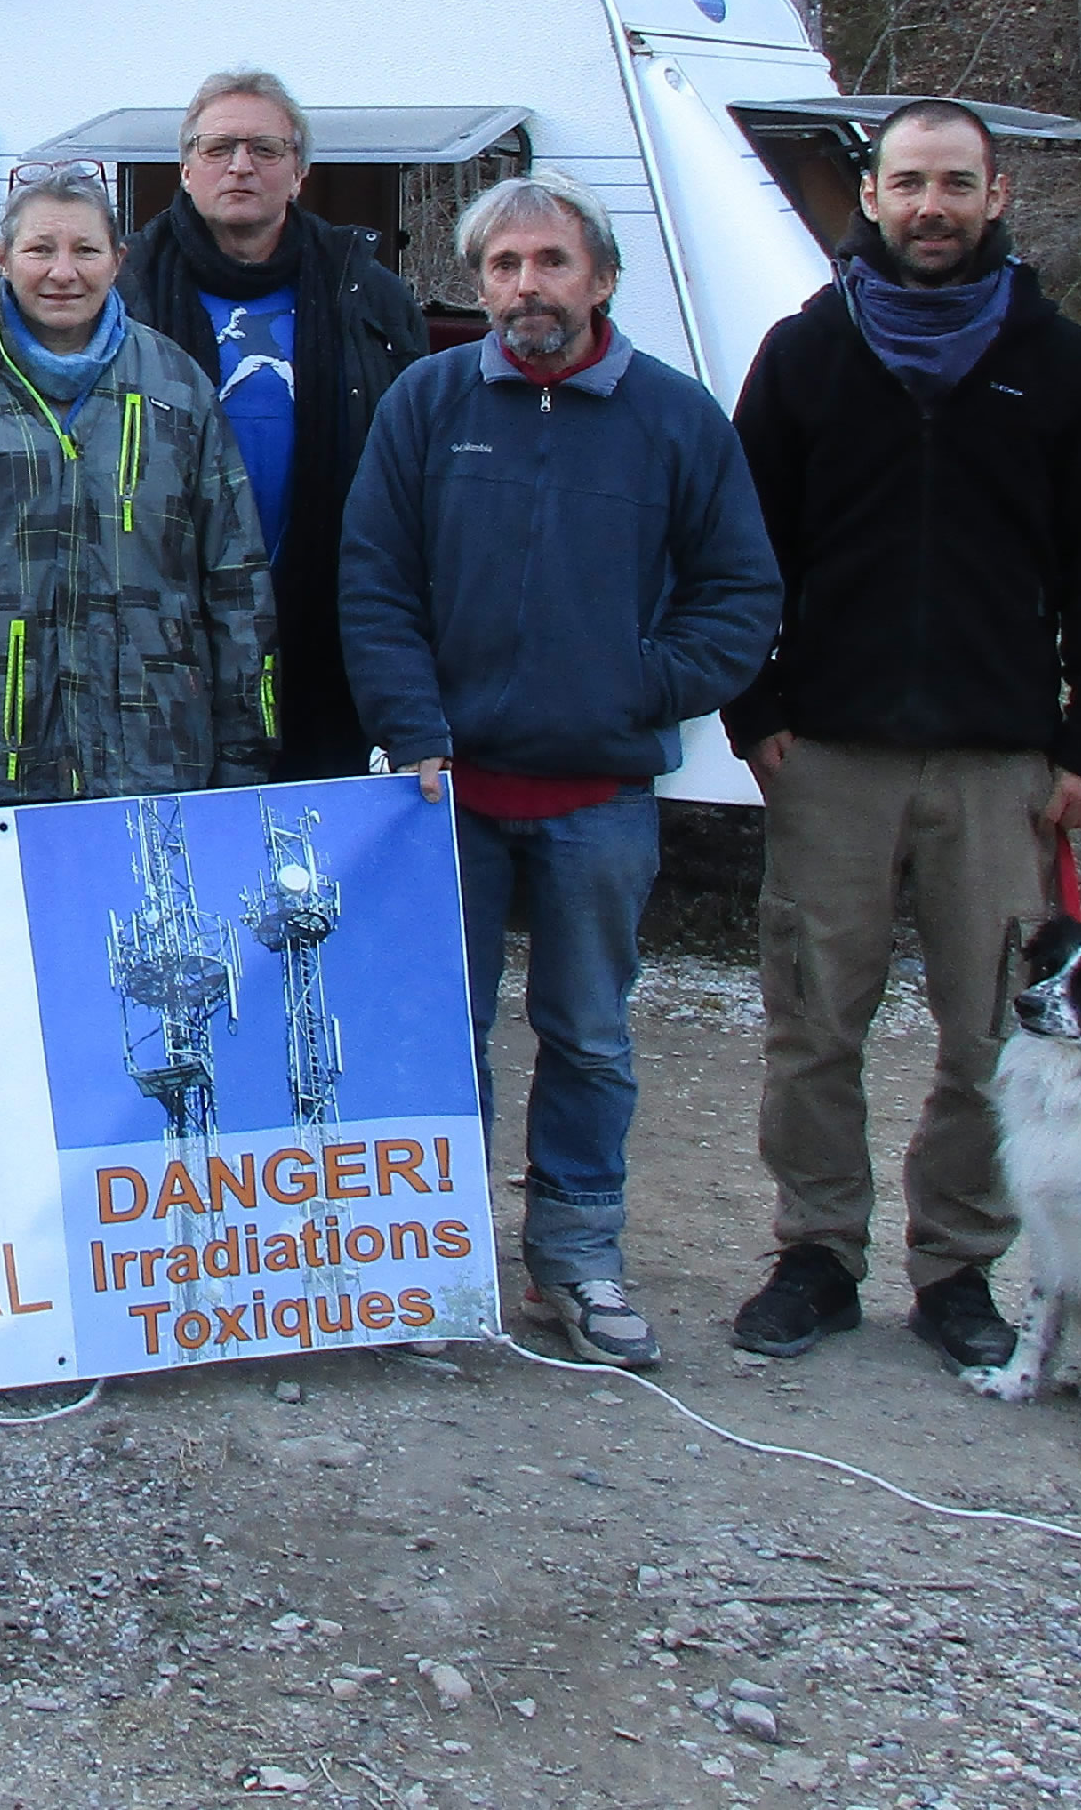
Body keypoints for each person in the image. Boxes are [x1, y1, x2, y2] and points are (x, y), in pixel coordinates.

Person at [723, 100, 1081, 1370]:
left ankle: (959, 1269)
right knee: (815, 1023)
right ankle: (816, 1255)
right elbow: (744, 553)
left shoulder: (1060, 366)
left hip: (999, 764)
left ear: (996, 196)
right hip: (830, 757)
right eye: (909, 182)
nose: (931, 207)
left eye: (956, 184)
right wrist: (755, 710)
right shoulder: (806, 355)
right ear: (871, 196)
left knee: (993, 1033)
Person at [338, 171, 779, 1369]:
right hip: (447, 793)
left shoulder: (675, 418)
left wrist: (633, 686)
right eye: (503, 267)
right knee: (442, 1034)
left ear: (602, 278)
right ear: (479, 286)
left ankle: (576, 1261)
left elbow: (741, 595)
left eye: (550, 262)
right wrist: (413, 722)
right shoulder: (429, 403)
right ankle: (437, 1264)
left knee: (587, 1035)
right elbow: (375, 579)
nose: (526, 285)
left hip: (601, 793)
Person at [0, 164, 275, 811]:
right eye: (40, 250)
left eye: (85, 250)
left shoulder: (175, 386)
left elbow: (235, 577)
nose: (63, 272)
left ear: (117, 261)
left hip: (154, 756)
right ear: (2, 258)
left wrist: (246, 748)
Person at [123, 69, 429, 780]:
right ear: (185, 169)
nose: (240, 166)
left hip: (325, 622)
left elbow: (412, 460)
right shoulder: (122, 290)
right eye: (218, 148)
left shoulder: (368, 293)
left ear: (298, 173)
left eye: (264, 149)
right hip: (163, 627)